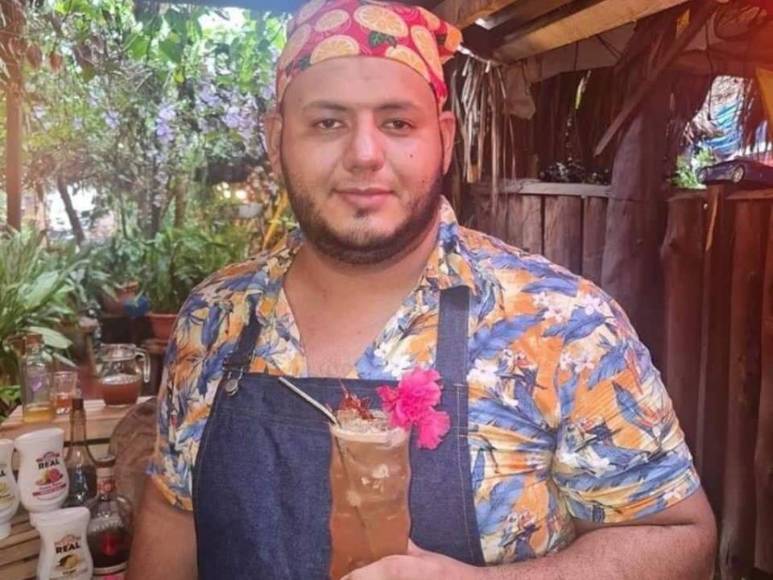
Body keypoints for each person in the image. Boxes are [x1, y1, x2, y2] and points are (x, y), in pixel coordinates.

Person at [128, 1, 716, 578]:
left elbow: (679, 537)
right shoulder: (213, 317)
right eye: (327, 122)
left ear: (445, 138)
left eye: (397, 123)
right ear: (276, 140)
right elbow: (171, 512)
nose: (364, 155)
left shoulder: (563, 323)